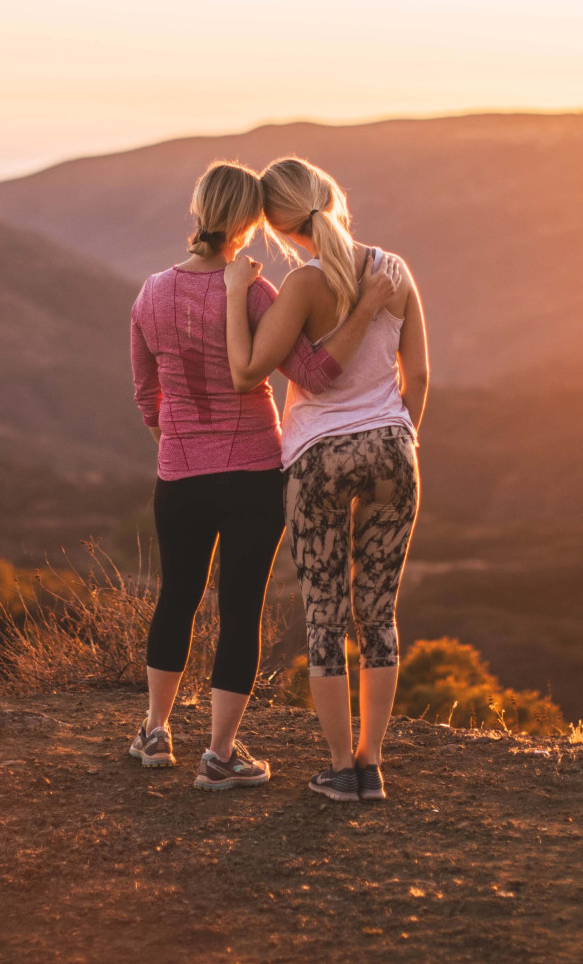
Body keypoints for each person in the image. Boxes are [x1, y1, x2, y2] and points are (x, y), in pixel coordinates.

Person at [128, 161, 399, 790]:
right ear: (250, 223)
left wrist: (176, 442)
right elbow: (315, 374)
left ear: (197, 212)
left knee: (177, 597)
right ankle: (221, 754)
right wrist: (363, 312)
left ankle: (155, 732)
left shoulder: (150, 294)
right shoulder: (256, 295)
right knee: (240, 608)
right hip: (253, 473)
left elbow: (147, 392)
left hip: (181, 473)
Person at [222, 156, 428, 803]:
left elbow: (258, 367)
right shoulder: (394, 272)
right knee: (379, 613)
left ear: (280, 229)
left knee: (326, 615)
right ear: (333, 196)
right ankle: (373, 763)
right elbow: (418, 376)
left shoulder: (304, 287)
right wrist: (399, 436)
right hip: (394, 449)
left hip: (318, 460)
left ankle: (342, 767)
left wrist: (235, 295)